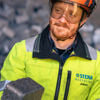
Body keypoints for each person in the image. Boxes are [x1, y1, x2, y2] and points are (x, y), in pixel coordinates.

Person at [0, 0, 100, 100]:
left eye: (72, 14)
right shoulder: (22, 51)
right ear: (51, 10)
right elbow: (7, 96)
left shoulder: (96, 62)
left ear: (83, 20)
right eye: (58, 10)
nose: (62, 20)